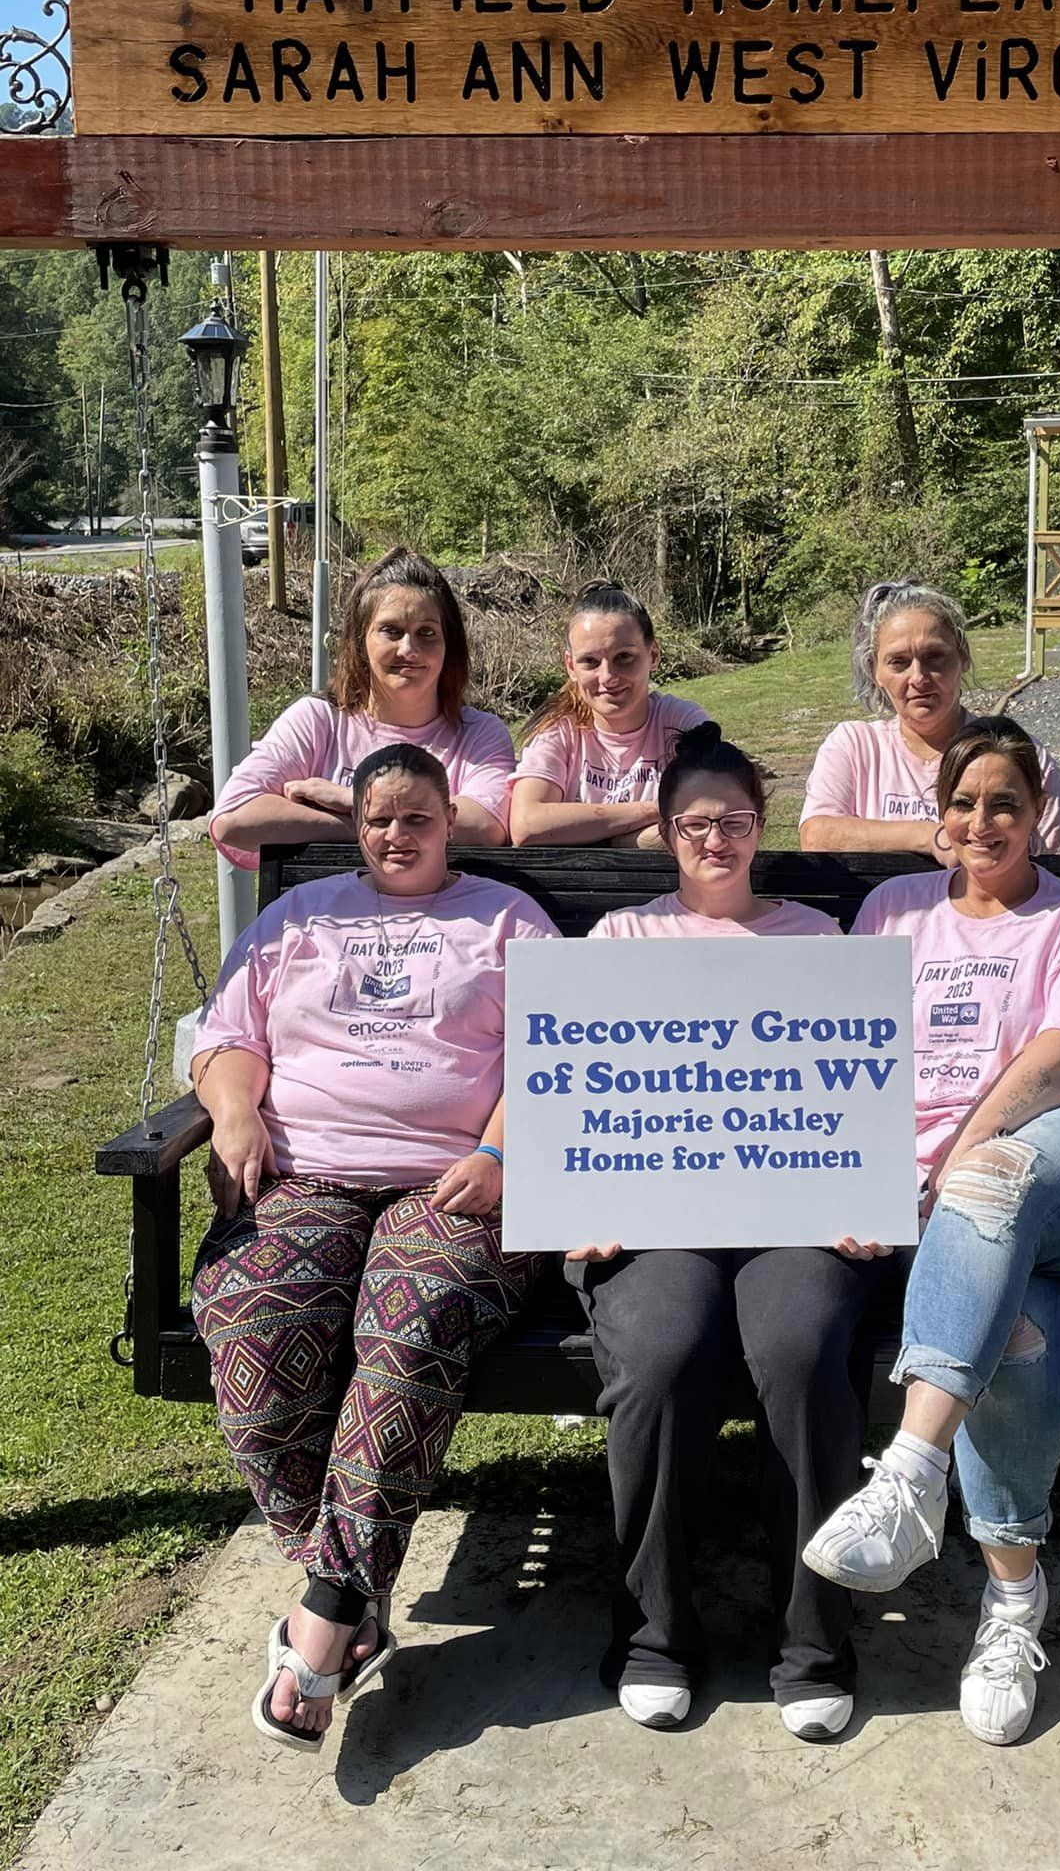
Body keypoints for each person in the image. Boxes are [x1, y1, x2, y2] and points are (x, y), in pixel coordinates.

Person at [802, 717, 1060, 1748]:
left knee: (995, 1177)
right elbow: (838, 1053)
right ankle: (1013, 1598)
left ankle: (908, 1473)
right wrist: (848, 1173)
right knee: (1016, 1324)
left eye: (1005, 803)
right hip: (981, 1217)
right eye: (964, 802)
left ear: (1039, 815)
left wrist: (942, 1169)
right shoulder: (894, 912)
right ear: (938, 818)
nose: (984, 821)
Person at [191, 742, 559, 1752]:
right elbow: (228, 1038)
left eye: (417, 816)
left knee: (410, 1333)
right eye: (380, 817)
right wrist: (232, 1114)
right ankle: (352, 1589)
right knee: (256, 1332)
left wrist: (497, 1147)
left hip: (451, 1178)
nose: (398, 833)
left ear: (452, 822)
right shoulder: (297, 918)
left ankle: (324, 1615)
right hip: (305, 1170)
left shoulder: (505, 920)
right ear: (357, 825)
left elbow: (558, 1052)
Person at [569, 722, 891, 1743]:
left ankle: (813, 1640)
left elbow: (851, 1094)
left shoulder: (817, 941)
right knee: (663, 1353)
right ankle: (655, 1633)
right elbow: (585, 1095)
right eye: (697, 823)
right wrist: (588, 1199)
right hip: (655, 1219)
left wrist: (860, 1193)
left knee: (801, 1351)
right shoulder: (621, 940)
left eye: (736, 821)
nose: (717, 839)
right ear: (666, 832)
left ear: (762, 827)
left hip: (789, 1215)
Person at [211, 548, 512, 870]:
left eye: (427, 633)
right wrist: (368, 823)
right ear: (360, 641)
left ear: (448, 645)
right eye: (391, 631)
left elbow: (485, 826)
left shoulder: (480, 735)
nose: (409, 649)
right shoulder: (318, 720)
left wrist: (349, 800)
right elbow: (234, 818)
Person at [799, 580, 1060, 863]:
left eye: (934, 657)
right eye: (898, 662)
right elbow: (816, 836)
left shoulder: (1017, 754)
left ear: (963, 659)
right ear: (875, 672)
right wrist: (932, 838)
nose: (918, 678)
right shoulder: (855, 746)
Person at [507, 581, 706, 846]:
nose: (608, 677)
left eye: (624, 657)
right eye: (590, 661)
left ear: (654, 654)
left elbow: (710, 818)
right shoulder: (560, 732)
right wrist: (654, 811)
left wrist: (603, 839)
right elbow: (526, 825)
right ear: (570, 666)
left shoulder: (682, 723)